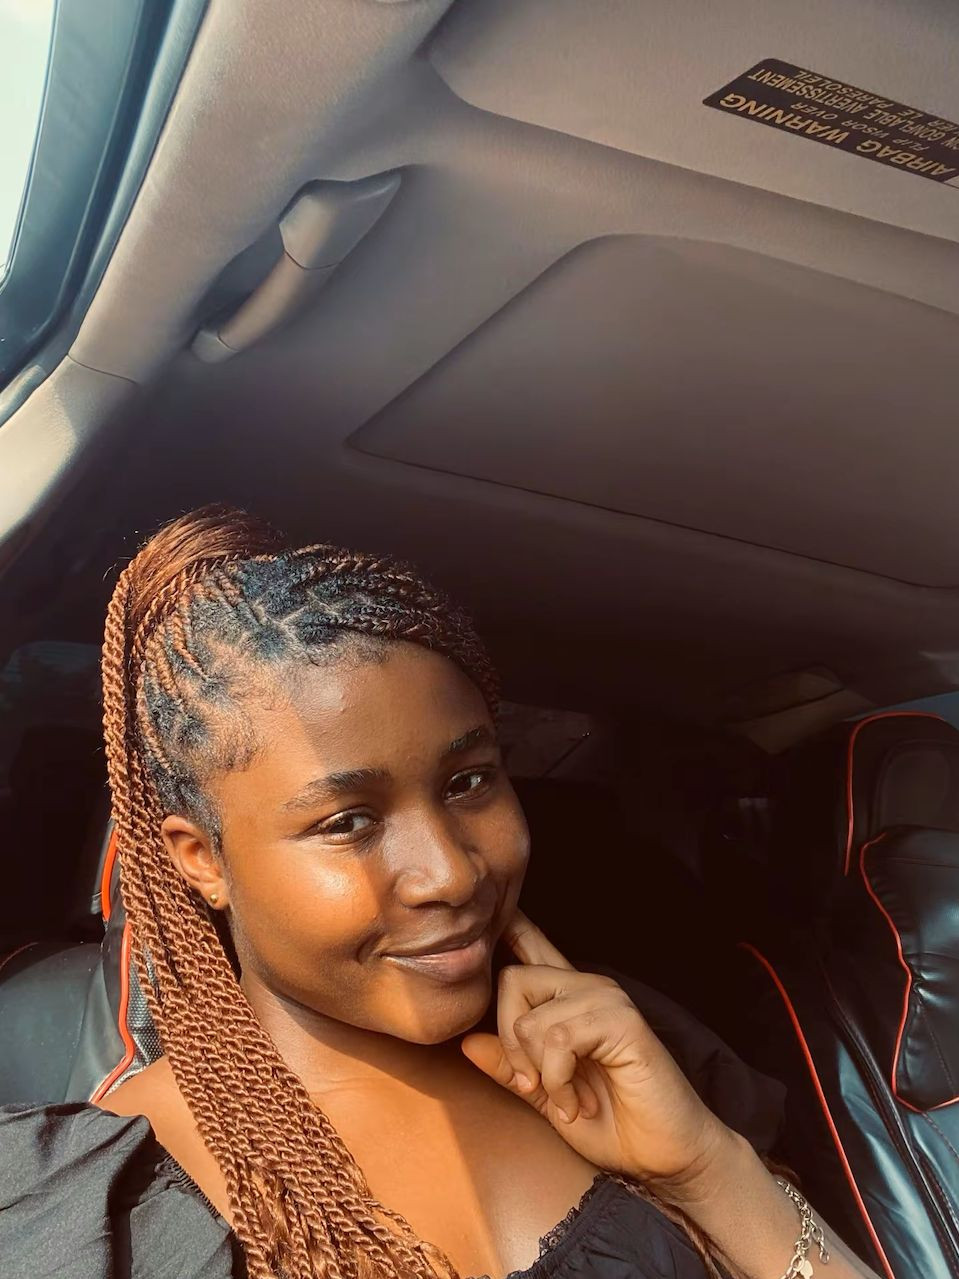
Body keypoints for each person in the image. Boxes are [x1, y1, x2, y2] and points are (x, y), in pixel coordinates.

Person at [0, 505, 879, 1279]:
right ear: (201, 860)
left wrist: (703, 1167)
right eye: (347, 820)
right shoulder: (87, 1210)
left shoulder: (625, 1051)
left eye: (468, 782)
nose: (452, 872)